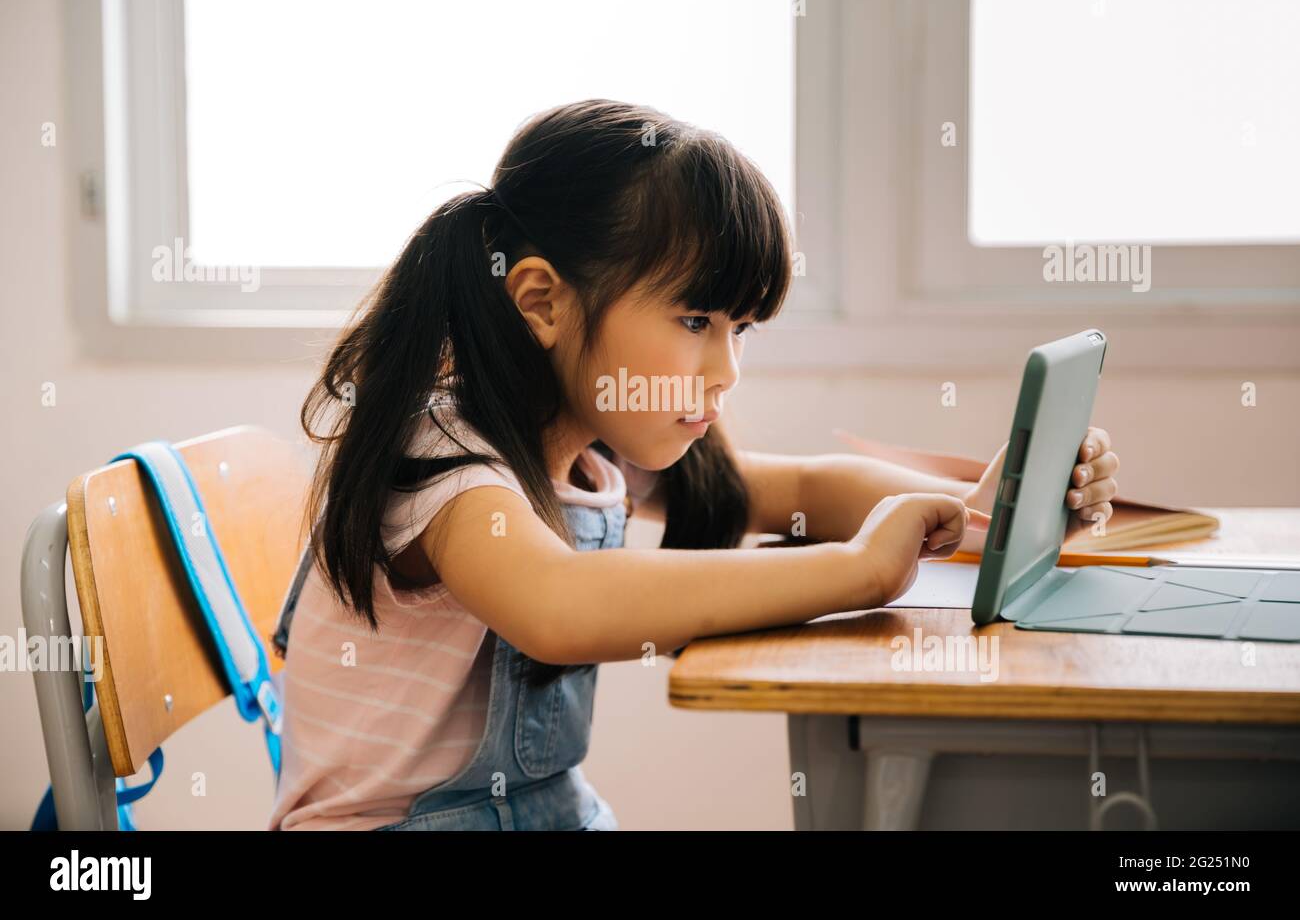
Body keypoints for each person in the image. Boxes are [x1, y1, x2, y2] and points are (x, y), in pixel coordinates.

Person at [268, 99, 1119, 831]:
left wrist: (981, 508)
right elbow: (558, 607)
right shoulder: (448, 459)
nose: (726, 369)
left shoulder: (590, 439)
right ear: (543, 302)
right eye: (694, 320)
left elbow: (802, 490)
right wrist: (858, 570)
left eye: (738, 329)